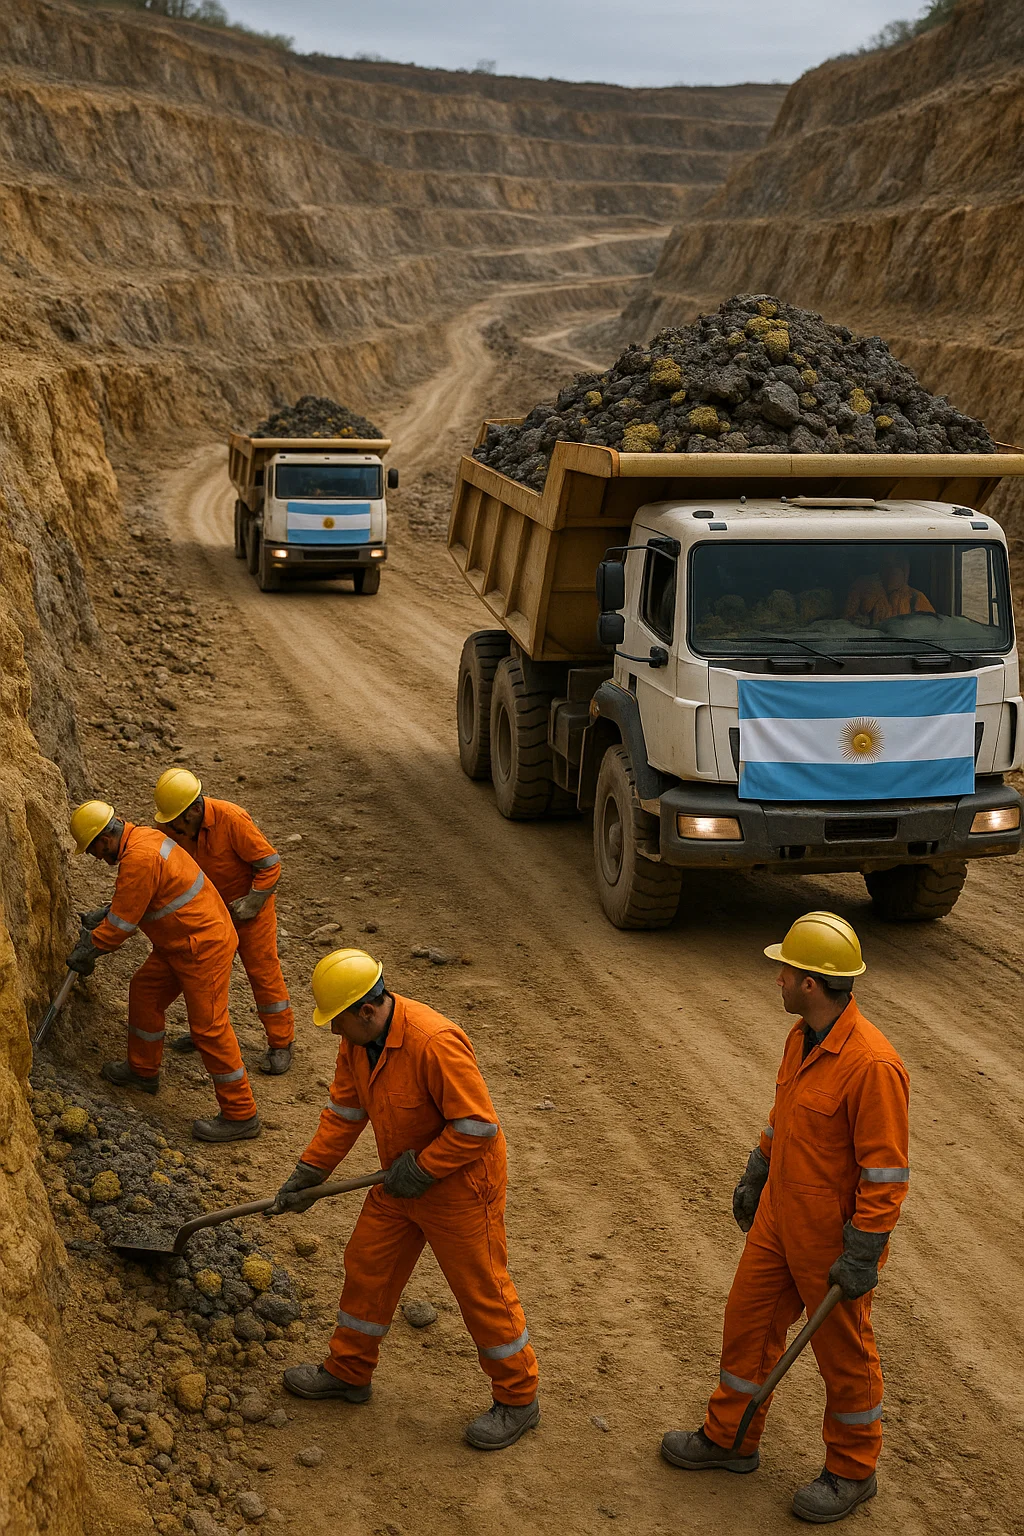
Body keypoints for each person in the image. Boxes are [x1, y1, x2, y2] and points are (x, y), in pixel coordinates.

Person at [661, 912, 909, 1524]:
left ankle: (853, 1471)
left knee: (844, 1357)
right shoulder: (802, 1037)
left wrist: (863, 1250)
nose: (776, 978)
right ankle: (731, 1438)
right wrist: (758, 1167)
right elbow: (786, 1116)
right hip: (778, 1220)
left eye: (786, 971)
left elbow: (886, 1173)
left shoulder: (873, 1066)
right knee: (746, 1326)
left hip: (829, 1241)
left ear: (812, 983)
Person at [269, 948, 540, 1451]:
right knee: (368, 1263)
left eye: (336, 1021)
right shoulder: (358, 1044)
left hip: (458, 1187)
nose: (332, 1032)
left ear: (366, 1011)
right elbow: (345, 1112)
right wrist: (311, 1171)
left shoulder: (433, 1042)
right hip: (399, 1180)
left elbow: (478, 1126)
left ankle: (518, 1398)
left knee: (480, 1288)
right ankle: (349, 1371)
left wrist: (426, 1168)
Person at [67, 800, 260, 1143]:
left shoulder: (139, 857)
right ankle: (142, 1070)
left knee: (209, 1029)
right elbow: (137, 897)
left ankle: (240, 1114)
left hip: (202, 946)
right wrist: (107, 912)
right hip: (181, 943)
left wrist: (90, 948)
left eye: (95, 850)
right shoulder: (143, 839)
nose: (97, 858)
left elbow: (121, 926)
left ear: (104, 838)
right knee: (145, 991)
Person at [152, 768, 294, 1075]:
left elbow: (270, 864)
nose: (170, 828)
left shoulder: (231, 819)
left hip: (248, 911)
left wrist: (253, 901)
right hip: (208, 914)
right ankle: (207, 1030)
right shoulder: (172, 825)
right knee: (206, 973)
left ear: (194, 810)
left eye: (175, 820)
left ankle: (281, 1042)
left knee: (263, 972)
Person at [844, 559, 934, 625]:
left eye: (897, 565)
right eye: (886, 565)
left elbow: (931, 628)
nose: (890, 571)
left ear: (905, 571)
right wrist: (858, 623)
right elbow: (845, 622)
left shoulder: (916, 597)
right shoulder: (862, 586)